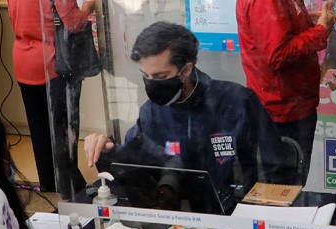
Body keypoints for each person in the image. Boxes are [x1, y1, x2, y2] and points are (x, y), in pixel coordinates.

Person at [84, 22, 290, 209]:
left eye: (160, 77)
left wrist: (259, 217)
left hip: (238, 215)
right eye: (145, 76)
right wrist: (108, 151)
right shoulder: (152, 112)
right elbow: (136, 165)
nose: (151, 83)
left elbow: (273, 169)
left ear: (185, 71)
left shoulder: (235, 102)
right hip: (176, 219)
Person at [237, 0, 336, 177]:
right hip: (282, 110)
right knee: (285, 186)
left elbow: (281, 33)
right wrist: (319, 32)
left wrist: (307, 23)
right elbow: (277, 55)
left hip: (293, 102)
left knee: (292, 179)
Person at [9, 0, 94, 199]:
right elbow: (74, 23)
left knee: (39, 129)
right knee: (63, 130)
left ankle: (47, 182)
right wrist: (88, 6)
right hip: (53, 64)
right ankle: (70, 186)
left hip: (23, 62)